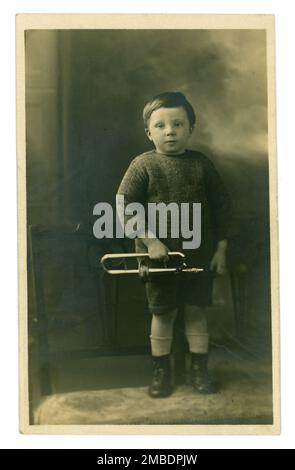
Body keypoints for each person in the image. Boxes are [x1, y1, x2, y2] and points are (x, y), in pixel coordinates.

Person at [117, 91, 234, 398]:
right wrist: (151, 242)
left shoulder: (201, 164)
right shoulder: (143, 165)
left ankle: (199, 370)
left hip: (198, 255)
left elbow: (223, 207)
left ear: (190, 128)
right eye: (160, 125)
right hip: (158, 259)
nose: (169, 131)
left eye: (178, 124)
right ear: (148, 132)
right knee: (164, 313)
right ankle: (161, 372)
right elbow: (125, 206)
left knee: (196, 311)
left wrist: (220, 249)